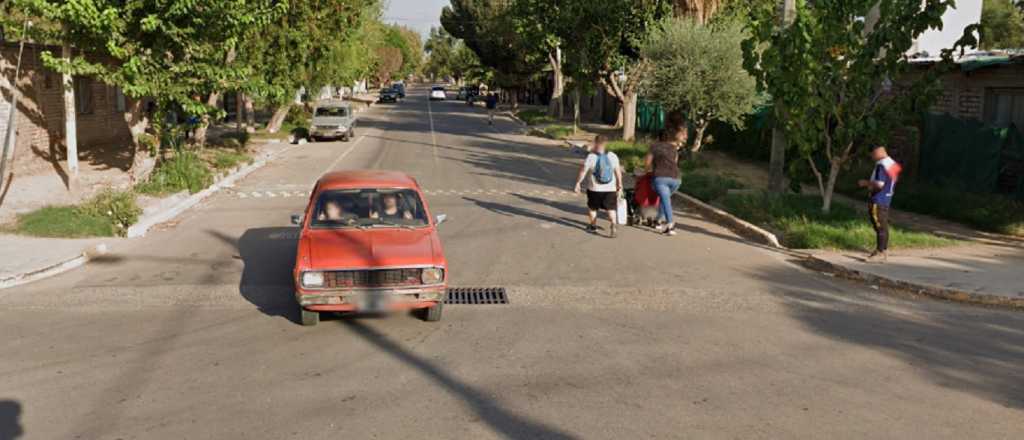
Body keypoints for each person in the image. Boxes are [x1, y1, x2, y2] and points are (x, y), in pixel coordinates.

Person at [857, 145, 902, 263]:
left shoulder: (881, 165)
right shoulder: (892, 164)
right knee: (883, 225)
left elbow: (880, 184)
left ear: (877, 152)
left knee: (879, 226)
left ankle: (880, 252)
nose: (872, 157)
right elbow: (892, 181)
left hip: (878, 200)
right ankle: (883, 250)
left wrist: (865, 183)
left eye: (872, 154)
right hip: (887, 199)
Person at [574, 135, 623, 238]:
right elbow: (618, 172)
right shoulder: (612, 156)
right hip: (610, 189)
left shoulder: (591, 157)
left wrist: (578, 182)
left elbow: (583, 171)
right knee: (611, 209)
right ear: (606, 144)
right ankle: (613, 225)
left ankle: (593, 226)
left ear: (596, 143)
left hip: (594, 189)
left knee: (593, 208)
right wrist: (620, 185)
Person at [645, 117, 687, 236]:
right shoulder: (674, 148)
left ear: (658, 138)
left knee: (665, 200)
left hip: (660, 178)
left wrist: (647, 172)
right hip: (676, 179)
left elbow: (647, 164)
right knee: (665, 199)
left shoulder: (654, 147)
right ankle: (658, 221)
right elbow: (675, 162)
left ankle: (670, 224)